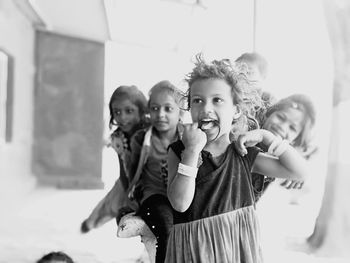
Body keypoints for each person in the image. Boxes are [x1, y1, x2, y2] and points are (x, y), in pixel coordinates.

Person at [165, 54, 309, 262]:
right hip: (194, 251)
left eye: (217, 100)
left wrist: (266, 137)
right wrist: (192, 152)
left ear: (236, 110)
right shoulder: (179, 151)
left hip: (236, 248)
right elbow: (179, 204)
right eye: (197, 100)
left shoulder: (243, 155)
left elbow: (300, 172)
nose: (206, 108)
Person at [126, 80, 182, 263]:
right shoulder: (141, 139)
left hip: (180, 197)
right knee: (167, 229)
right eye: (155, 108)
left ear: (180, 111)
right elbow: (132, 173)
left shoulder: (187, 138)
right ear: (149, 110)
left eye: (168, 108)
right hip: (154, 196)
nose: (161, 114)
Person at [81, 85, 149, 232]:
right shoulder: (118, 138)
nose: (122, 117)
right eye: (117, 112)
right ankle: (91, 223)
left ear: (142, 111)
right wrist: (128, 192)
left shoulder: (149, 134)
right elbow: (123, 170)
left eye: (129, 111)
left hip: (150, 181)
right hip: (128, 179)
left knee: (148, 218)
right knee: (113, 203)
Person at [252, 94, 317, 201]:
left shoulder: (282, 160)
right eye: (281, 117)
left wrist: (297, 170)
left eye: (292, 128)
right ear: (269, 113)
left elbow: (301, 172)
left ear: (295, 139)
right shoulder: (249, 140)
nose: (282, 127)